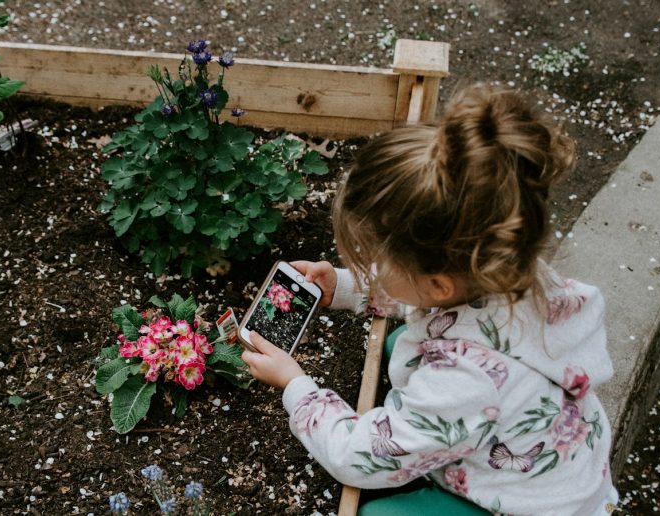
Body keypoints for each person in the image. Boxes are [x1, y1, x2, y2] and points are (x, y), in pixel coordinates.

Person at [241, 85, 619, 515]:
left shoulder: (465, 381)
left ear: (439, 285)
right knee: (402, 340)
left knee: (377, 514)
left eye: (376, 258)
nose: (369, 265)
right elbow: (421, 295)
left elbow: (355, 458)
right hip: (553, 462)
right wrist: (344, 288)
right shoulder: (506, 266)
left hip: (523, 505)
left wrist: (296, 386)